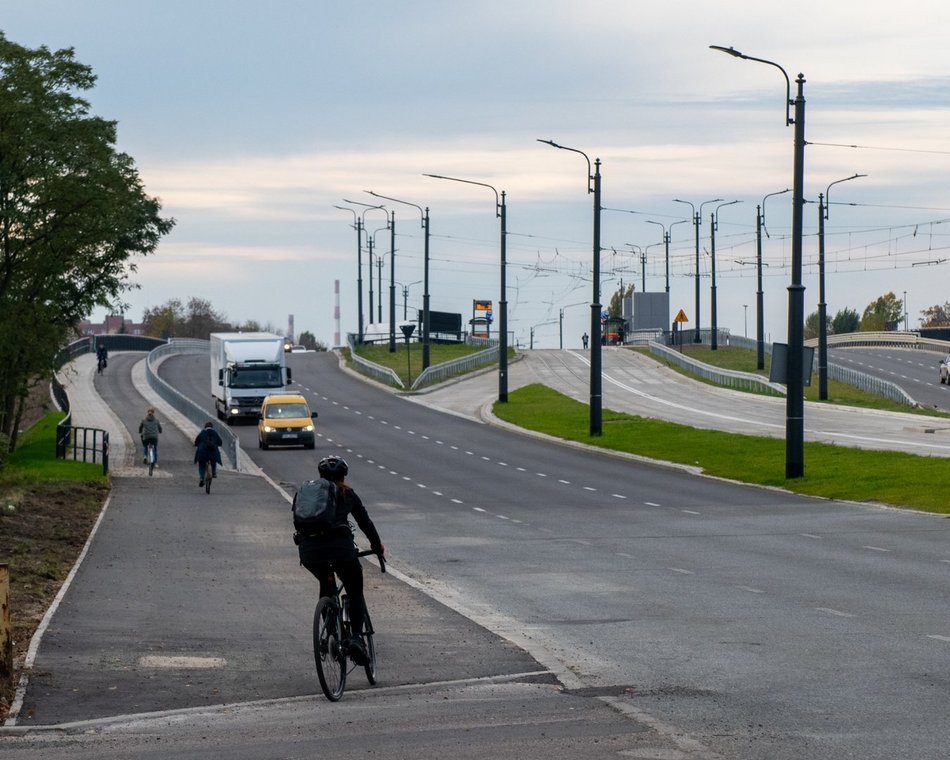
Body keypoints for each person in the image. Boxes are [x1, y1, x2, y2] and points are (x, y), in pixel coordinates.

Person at [295, 455, 384, 665]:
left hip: (310, 553)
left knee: (326, 582)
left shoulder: (308, 493)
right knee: (354, 590)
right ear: (344, 475)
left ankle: (328, 633)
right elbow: (365, 522)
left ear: (321, 475)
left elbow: (299, 523)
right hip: (341, 551)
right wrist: (377, 546)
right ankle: (354, 639)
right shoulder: (347, 493)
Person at [194, 421, 223, 487]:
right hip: (213, 452)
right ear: (212, 427)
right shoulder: (215, 433)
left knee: (201, 464)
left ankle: (201, 478)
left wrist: (196, 445)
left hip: (202, 452)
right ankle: (214, 473)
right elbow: (220, 442)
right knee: (214, 461)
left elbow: (196, 441)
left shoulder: (202, 432)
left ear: (205, 427)